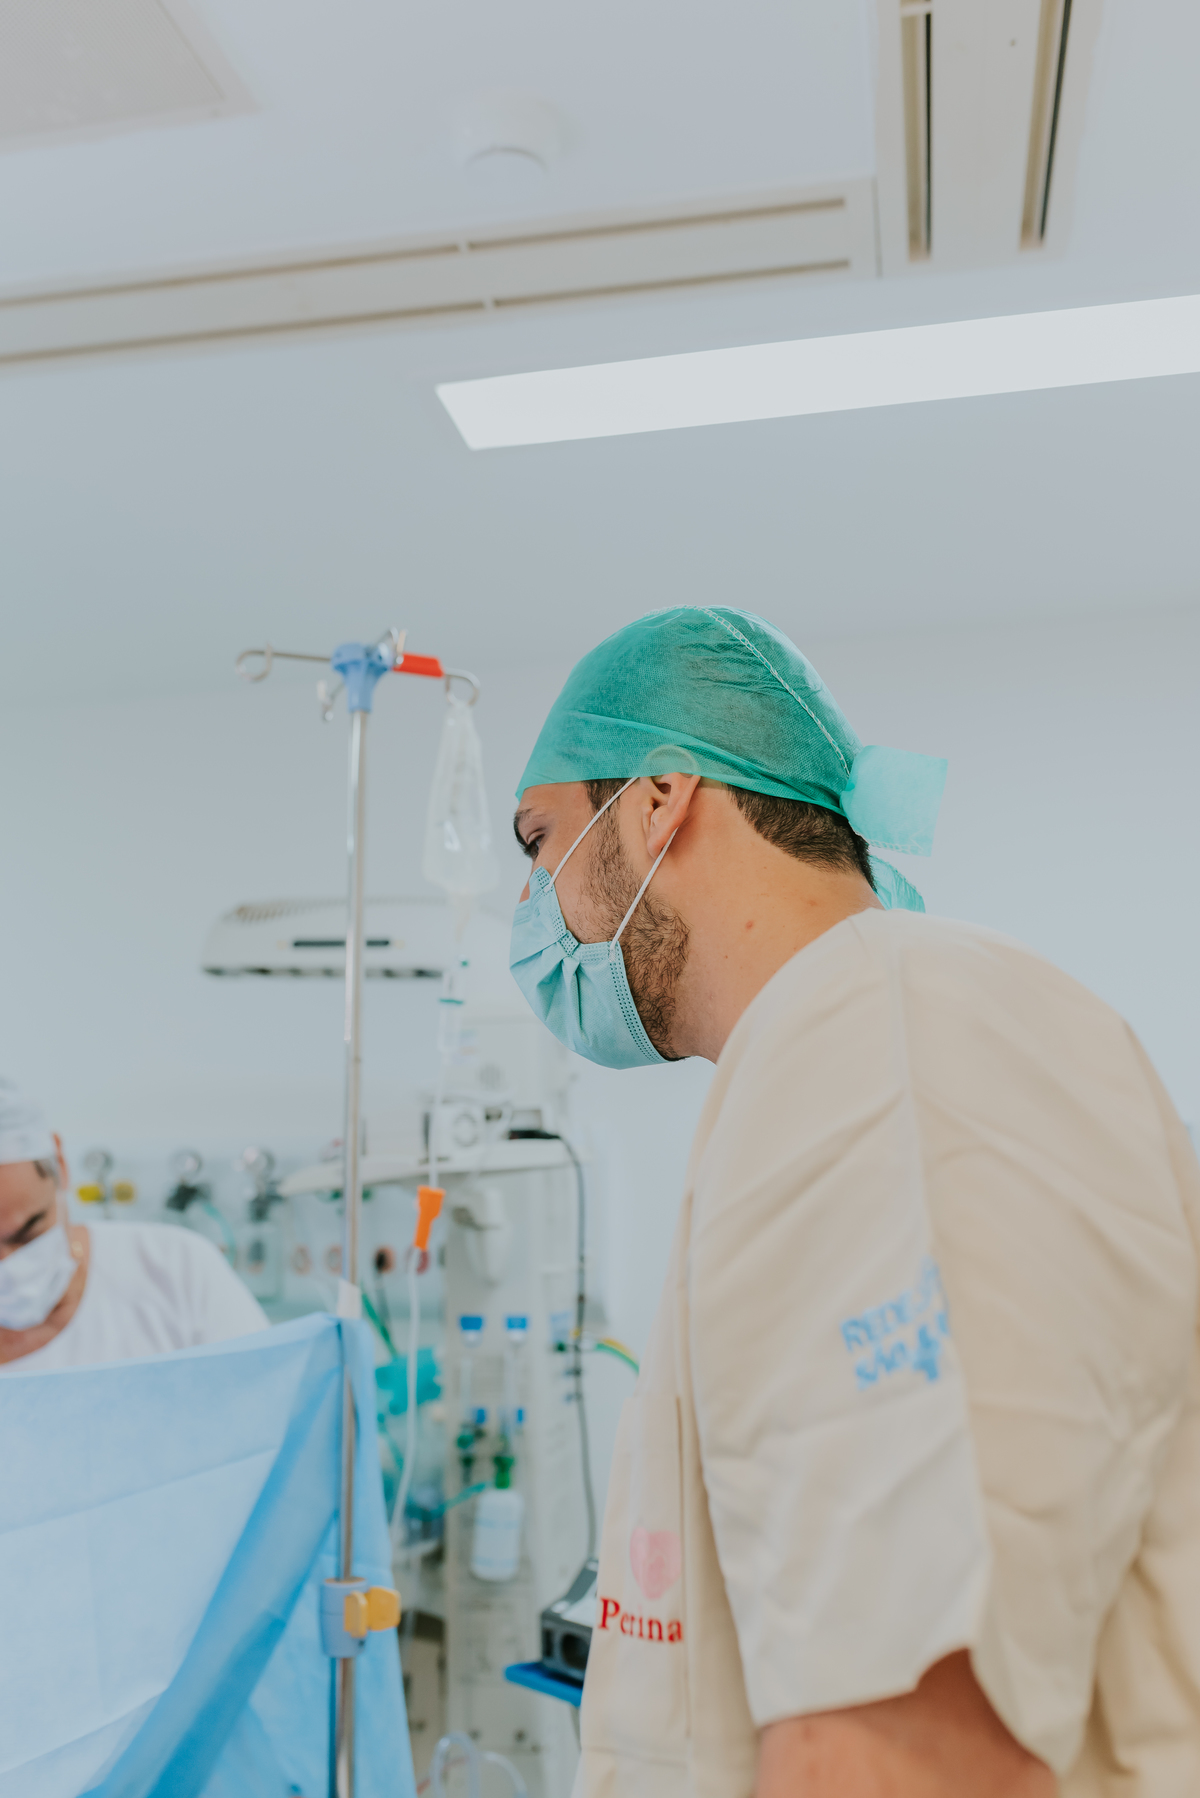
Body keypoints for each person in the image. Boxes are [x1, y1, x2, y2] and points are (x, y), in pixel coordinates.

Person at [509, 606, 1200, 1798]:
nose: (535, 913)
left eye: (541, 843)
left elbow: (902, 1735)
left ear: (661, 797)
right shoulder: (861, 1039)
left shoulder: (875, 1043)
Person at [0, 1081, 267, 1370]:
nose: (9, 1266)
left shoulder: (176, 1270)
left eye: (29, 1233)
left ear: (61, 1164)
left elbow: (270, 1399)